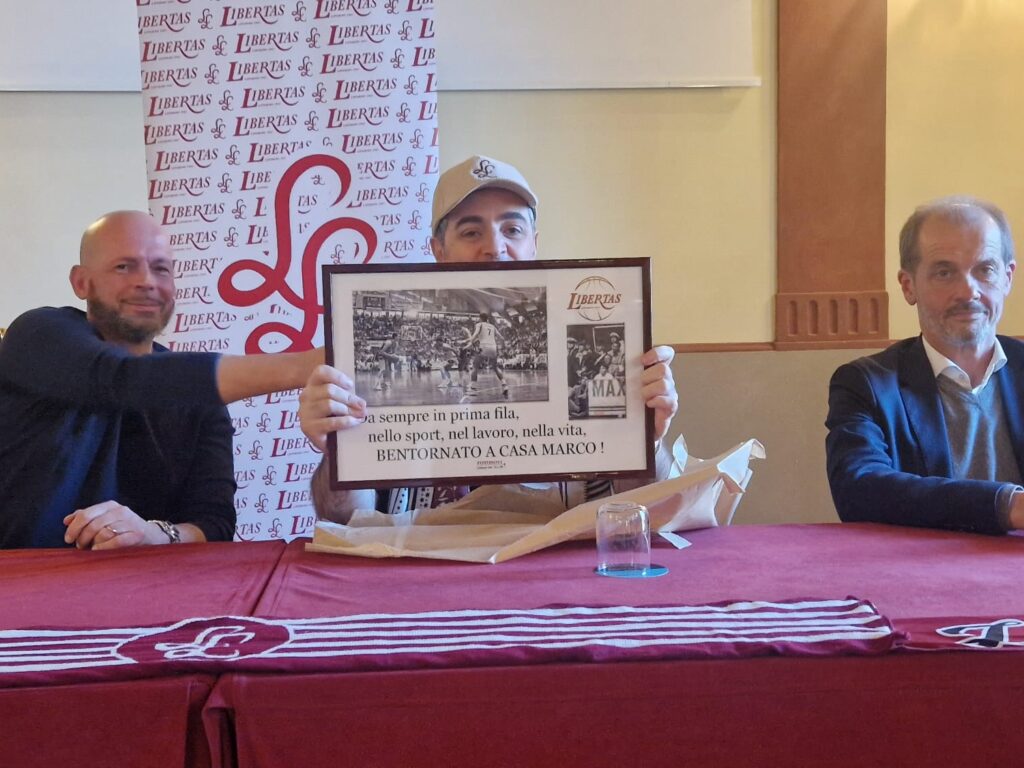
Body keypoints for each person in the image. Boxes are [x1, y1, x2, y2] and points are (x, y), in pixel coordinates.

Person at [299, 155, 679, 521]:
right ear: (438, 250)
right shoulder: (359, 357)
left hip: (558, 562)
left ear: (533, 243)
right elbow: (345, 517)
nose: (494, 247)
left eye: (512, 230)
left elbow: (641, 509)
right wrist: (337, 451)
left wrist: (646, 440)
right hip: (424, 562)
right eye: (471, 232)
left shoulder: (595, 330)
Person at [0, 210, 322, 549]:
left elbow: (215, 524)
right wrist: (308, 365)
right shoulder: (37, 334)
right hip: (24, 576)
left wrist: (154, 534)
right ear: (81, 282)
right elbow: (123, 379)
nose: (147, 281)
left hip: (146, 579)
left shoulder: (200, 394)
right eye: (123, 266)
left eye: (161, 268)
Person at [826, 196, 1024, 535]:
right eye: (945, 272)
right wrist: (1006, 505)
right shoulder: (868, 384)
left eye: (985, 270)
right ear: (908, 286)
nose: (968, 292)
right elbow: (858, 489)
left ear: (1007, 278)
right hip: (923, 565)